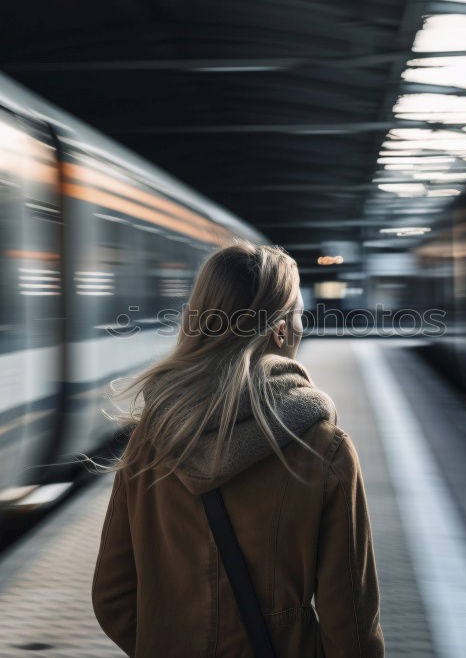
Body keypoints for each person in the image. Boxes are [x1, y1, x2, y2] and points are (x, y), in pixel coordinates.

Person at [92, 241, 384, 657]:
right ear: (281, 329)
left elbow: (113, 596)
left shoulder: (151, 439)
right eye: (299, 314)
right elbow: (351, 625)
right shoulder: (325, 450)